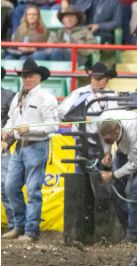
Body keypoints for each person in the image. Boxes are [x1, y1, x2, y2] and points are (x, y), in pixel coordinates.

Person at [1, 58, 59, 242]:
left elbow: (53, 126)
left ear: (39, 77)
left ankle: (31, 230)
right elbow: (11, 119)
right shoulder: (19, 96)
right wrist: (7, 131)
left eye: (30, 75)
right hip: (19, 147)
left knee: (33, 189)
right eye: (24, 75)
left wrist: (30, 129)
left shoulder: (46, 98)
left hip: (37, 146)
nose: (27, 78)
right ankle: (20, 226)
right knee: (10, 187)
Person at [97, 110, 137, 243]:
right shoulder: (102, 121)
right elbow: (105, 139)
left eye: (110, 140)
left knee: (135, 191)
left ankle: (133, 234)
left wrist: (113, 174)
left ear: (117, 133)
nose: (108, 142)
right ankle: (129, 228)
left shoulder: (133, 131)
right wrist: (107, 153)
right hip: (125, 147)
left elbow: (136, 162)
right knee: (115, 190)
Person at [1, 67, 16, 232]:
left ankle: (15, 224)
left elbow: (14, 121)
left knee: (6, 185)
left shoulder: (9, 97)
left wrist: (8, 140)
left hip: (2, 146)